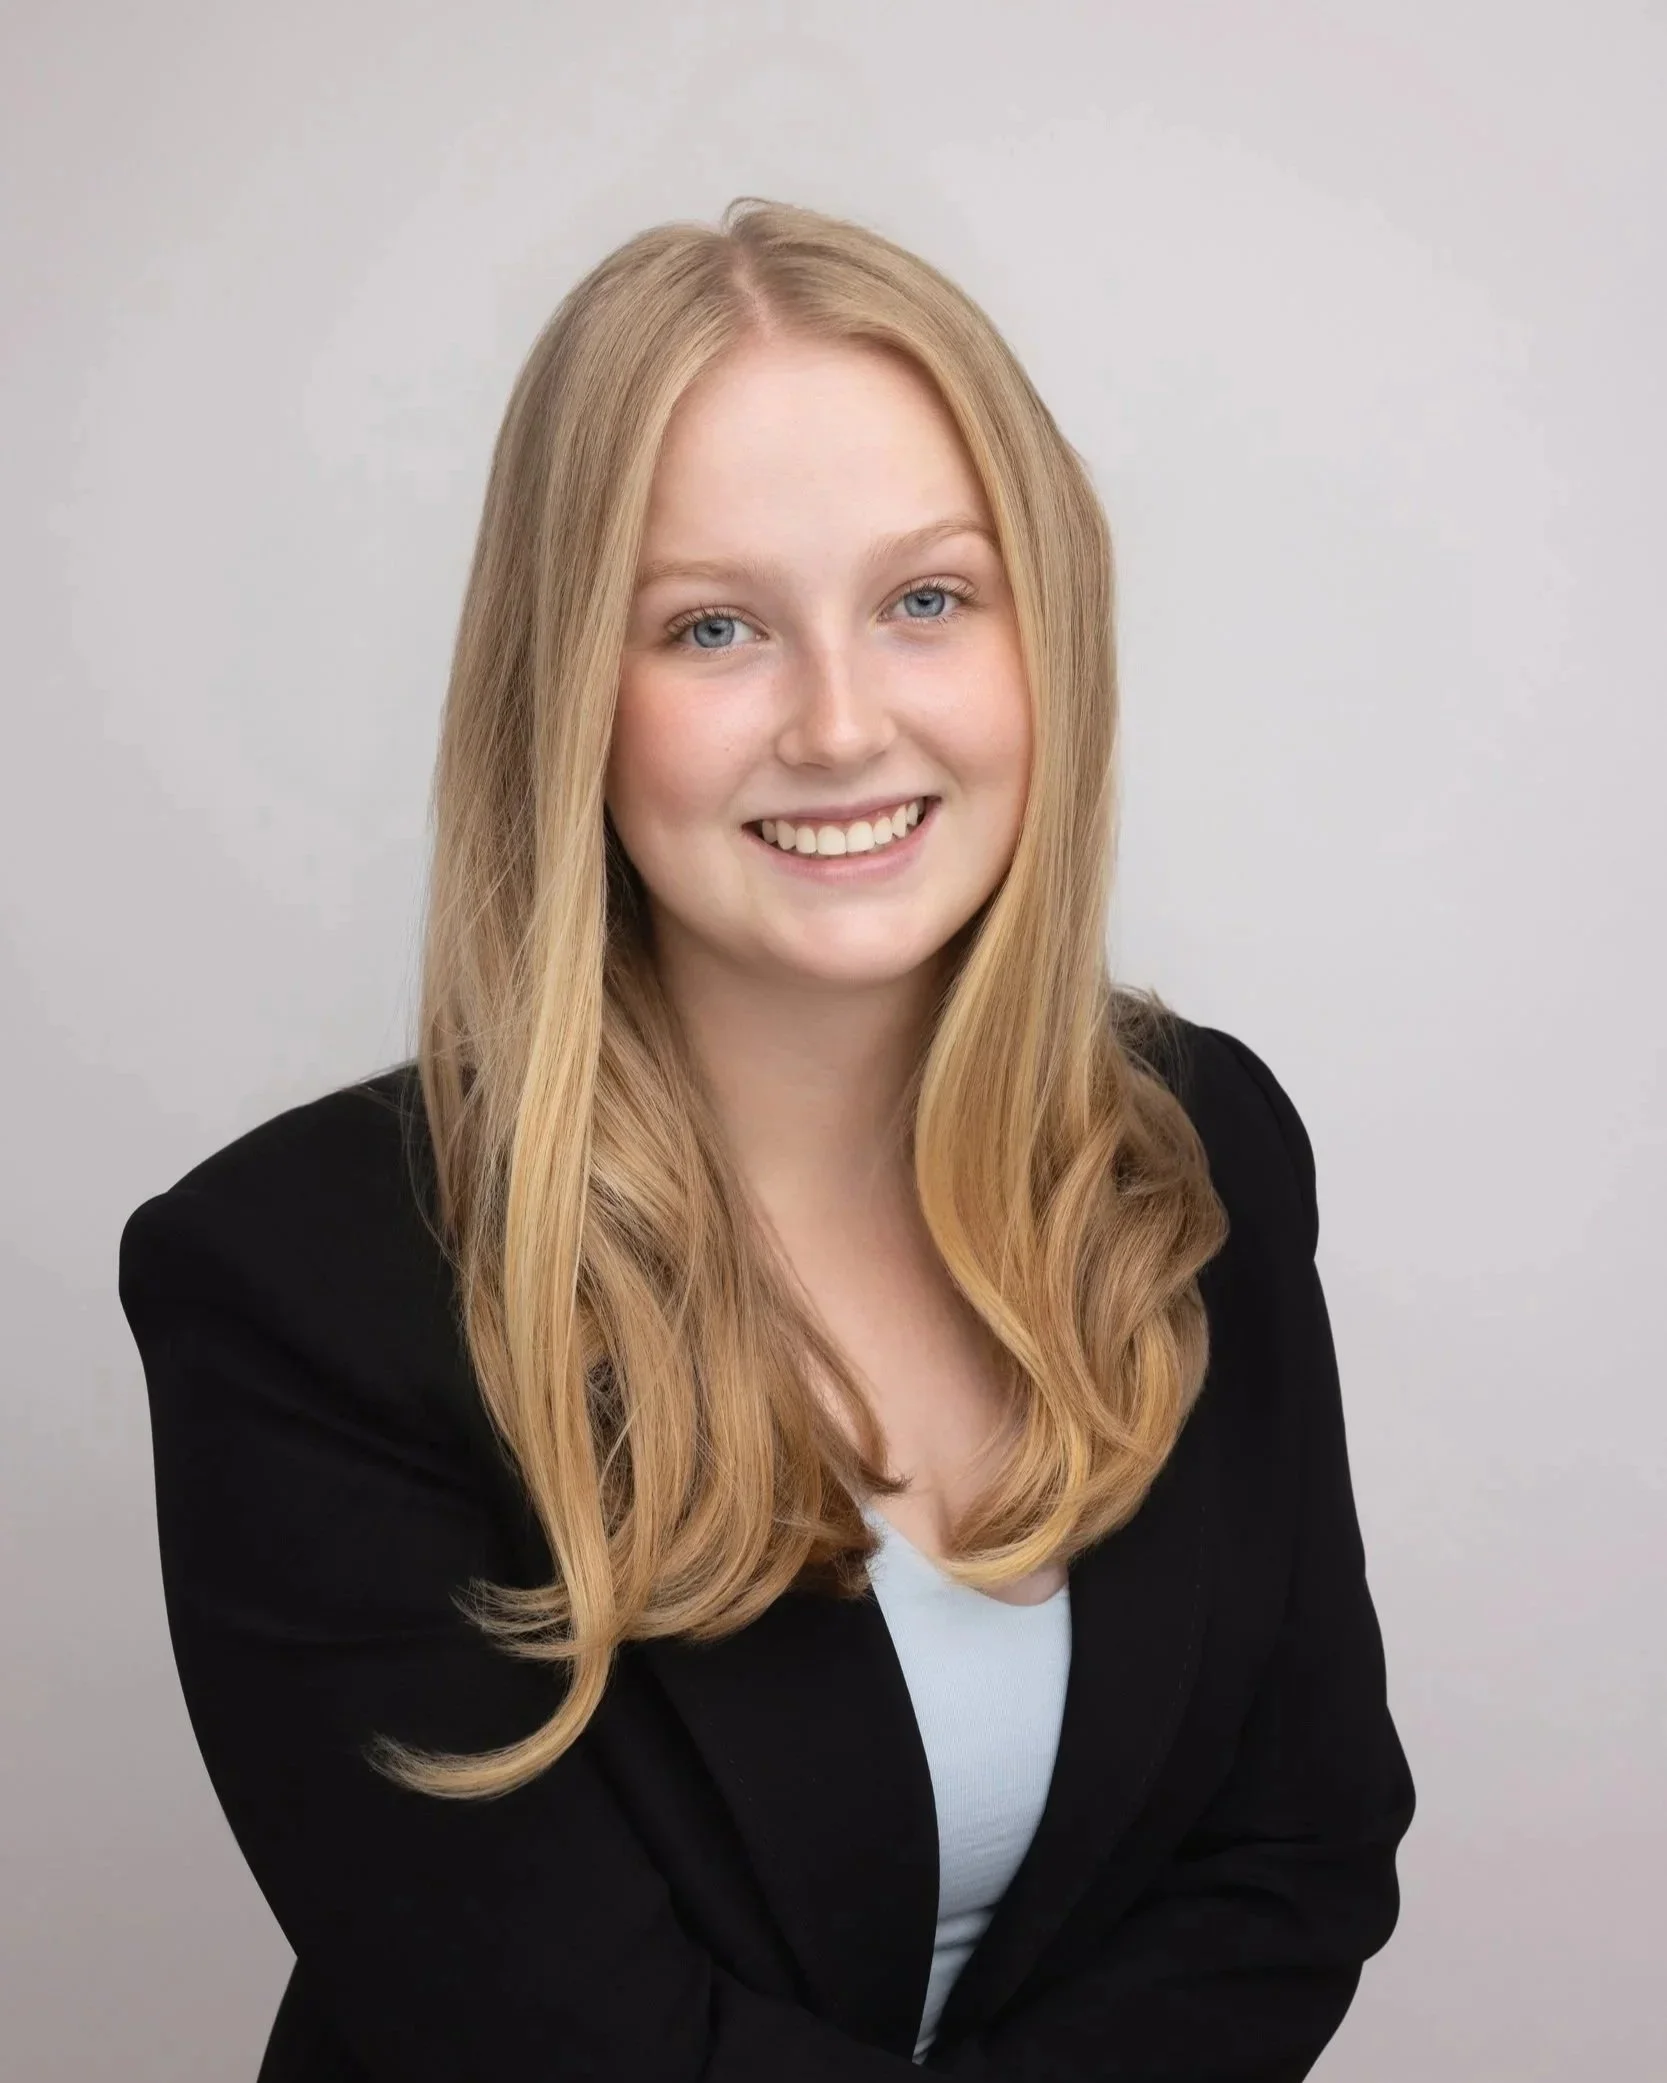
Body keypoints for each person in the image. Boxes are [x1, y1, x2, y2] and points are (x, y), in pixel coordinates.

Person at [118, 196, 1415, 2082]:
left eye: (926, 599)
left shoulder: (1197, 1143)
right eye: (711, 626)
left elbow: (1293, 1854)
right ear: (568, 689)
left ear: (1046, 633)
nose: (837, 722)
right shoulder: (301, 1287)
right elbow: (558, 2035)